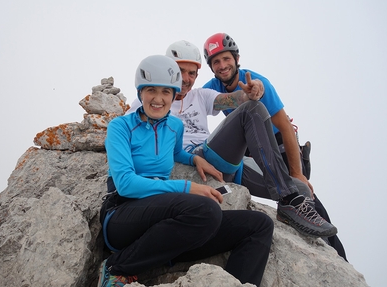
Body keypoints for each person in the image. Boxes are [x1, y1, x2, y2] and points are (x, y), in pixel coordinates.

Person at [126, 40, 338, 240]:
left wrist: (250, 93)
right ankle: (288, 198)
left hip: (227, 165)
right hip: (195, 160)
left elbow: (232, 100)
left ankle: (324, 239)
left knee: (300, 188)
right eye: (181, 71)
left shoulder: (201, 95)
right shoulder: (150, 99)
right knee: (252, 111)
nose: (187, 78)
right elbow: (130, 131)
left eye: (192, 73)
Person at [99, 54, 274, 287]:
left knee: (259, 225)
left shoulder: (174, 126)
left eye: (166, 92)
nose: (158, 99)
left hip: (168, 229)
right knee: (206, 210)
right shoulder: (120, 127)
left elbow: (174, 153)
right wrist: (188, 187)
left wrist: (194, 159)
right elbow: (126, 184)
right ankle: (117, 267)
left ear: (174, 95)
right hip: (122, 217)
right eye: (151, 90)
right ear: (140, 93)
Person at [202, 33, 346, 260]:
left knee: (302, 192)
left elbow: (285, 128)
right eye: (216, 62)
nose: (222, 65)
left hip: (280, 143)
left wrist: (297, 172)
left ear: (236, 58)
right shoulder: (213, 87)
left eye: (226, 59)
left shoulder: (259, 82)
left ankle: (334, 249)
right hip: (255, 145)